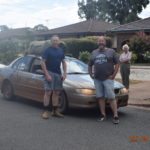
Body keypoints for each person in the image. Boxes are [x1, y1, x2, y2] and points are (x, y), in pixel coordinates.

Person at [88, 36, 120, 124]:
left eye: (102, 41)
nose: (101, 42)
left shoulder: (111, 51)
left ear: (105, 42)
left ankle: (115, 115)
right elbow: (90, 64)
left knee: (111, 97)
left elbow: (117, 63)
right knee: (100, 97)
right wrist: (91, 75)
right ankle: (103, 115)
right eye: (99, 41)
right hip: (97, 79)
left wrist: (113, 75)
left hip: (108, 79)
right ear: (97, 43)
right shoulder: (94, 52)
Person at [41, 35, 67, 119]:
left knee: (56, 93)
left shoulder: (61, 50)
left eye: (57, 40)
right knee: (48, 92)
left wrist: (65, 73)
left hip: (58, 74)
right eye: (54, 40)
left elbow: (63, 62)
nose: (55, 42)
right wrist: (47, 74)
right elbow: (42, 62)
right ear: (51, 41)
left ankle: (55, 111)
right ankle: (45, 112)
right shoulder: (47, 50)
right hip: (49, 72)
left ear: (59, 41)